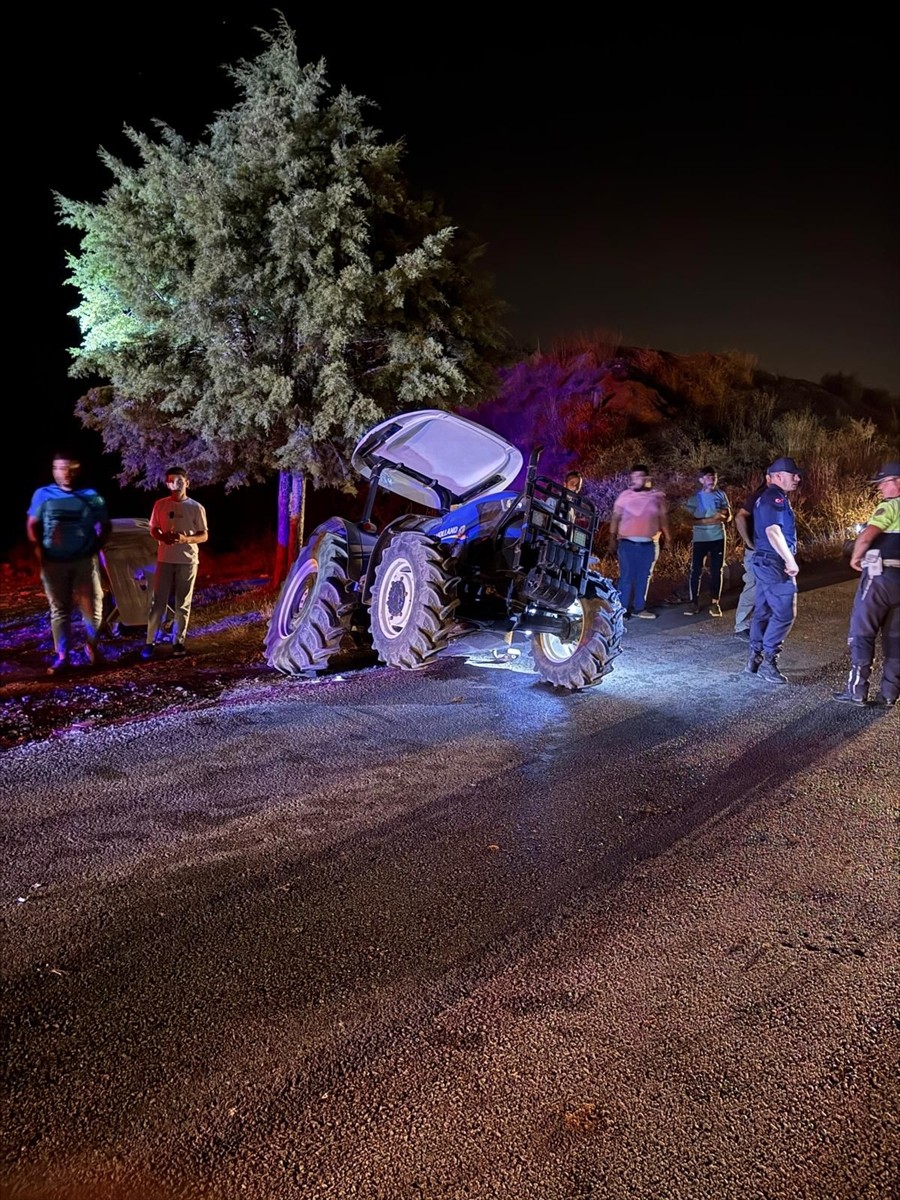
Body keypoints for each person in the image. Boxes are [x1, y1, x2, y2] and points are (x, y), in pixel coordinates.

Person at [26, 452, 111, 674]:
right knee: (59, 609)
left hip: (84, 561)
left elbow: (105, 525)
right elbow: (32, 524)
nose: (65, 473)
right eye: (60, 468)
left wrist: (96, 546)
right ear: (53, 470)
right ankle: (62, 656)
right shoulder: (42, 495)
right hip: (54, 562)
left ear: (77, 469)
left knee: (94, 608)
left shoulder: (91, 496)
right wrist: (39, 551)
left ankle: (91, 648)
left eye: (70, 467)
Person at [493, 470, 584, 662]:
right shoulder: (553, 501)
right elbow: (548, 524)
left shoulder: (573, 508)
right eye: (573, 483)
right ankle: (502, 646)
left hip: (558, 549)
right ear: (566, 483)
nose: (575, 487)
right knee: (516, 593)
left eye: (578, 485)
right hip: (545, 545)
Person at [832, 461, 900, 707]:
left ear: (898, 482)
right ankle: (890, 694)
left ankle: (856, 691)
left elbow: (868, 535)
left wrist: (856, 556)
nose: (881, 488)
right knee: (896, 637)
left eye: (884, 482)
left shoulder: (890, 506)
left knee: (862, 630)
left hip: (881, 576)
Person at [745, 457, 802, 684]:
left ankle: (754, 658)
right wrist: (790, 560)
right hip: (774, 563)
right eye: (793, 474)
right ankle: (769, 661)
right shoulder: (774, 497)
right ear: (778, 476)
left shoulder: (767, 498)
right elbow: (773, 531)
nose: (797, 478)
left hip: (765, 562)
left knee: (764, 610)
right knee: (785, 613)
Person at [141, 467, 208, 659]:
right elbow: (153, 528)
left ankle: (178, 641)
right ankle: (150, 641)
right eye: (171, 481)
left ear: (187, 482)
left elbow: (204, 535)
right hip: (165, 559)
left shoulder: (196, 507)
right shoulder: (160, 505)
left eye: (179, 480)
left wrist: (184, 539)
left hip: (187, 560)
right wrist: (161, 536)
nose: (175, 484)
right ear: (167, 484)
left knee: (183, 603)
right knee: (158, 602)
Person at [607, 464, 671, 619]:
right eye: (634, 476)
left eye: (639, 476)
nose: (636, 479)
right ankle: (621, 611)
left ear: (646, 478)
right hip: (628, 543)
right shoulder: (625, 496)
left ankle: (639, 608)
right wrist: (612, 539)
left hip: (648, 544)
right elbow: (615, 518)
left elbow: (663, 518)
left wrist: (668, 538)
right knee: (626, 577)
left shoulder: (656, 497)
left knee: (644, 576)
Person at [682, 467, 731, 617]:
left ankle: (715, 603)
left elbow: (728, 516)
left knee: (717, 570)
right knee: (696, 570)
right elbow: (685, 521)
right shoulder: (694, 498)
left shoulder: (721, 495)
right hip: (700, 539)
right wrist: (708, 520)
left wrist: (722, 517)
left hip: (718, 537)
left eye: (714, 477)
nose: (712, 480)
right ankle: (693, 603)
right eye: (709, 477)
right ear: (701, 480)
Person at [732, 473, 770, 639]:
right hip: (756, 552)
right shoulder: (758, 496)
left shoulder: (774, 497)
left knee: (765, 588)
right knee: (753, 587)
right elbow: (739, 517)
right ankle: (741, 625)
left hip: (767, 551)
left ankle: (758, 624)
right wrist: (750, 543)